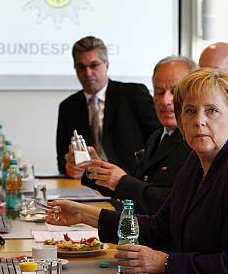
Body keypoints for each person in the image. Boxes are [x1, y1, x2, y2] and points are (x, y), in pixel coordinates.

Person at [47, 68, 228, 274]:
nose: (199, 121)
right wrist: (85, 215)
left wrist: (165, 263)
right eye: (190, 111)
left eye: (211, 111)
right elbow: (161, 229)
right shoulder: (196, 161)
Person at [81, 56, 196, 214]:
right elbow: (136, 190)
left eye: (175, 92)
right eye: (159, 92)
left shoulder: (196, 142)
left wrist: (122, 182)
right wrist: (95, 168)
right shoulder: (157, 136)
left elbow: (175, 202)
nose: (165, 100)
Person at [56, 36, 160, 177]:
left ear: (106, 65)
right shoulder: (68, 107)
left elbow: (159, 139)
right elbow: (62, 160)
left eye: (94, 65)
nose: (87, 73)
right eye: (81, 67)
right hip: (89, 185)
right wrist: (68, 167)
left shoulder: (133, 94)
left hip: (130, 180)